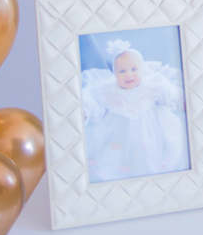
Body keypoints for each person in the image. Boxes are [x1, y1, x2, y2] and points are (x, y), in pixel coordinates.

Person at [81, 40, 189, 182]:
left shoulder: (152, 83)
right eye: (122, 71)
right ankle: (119, 168)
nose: (128, 75)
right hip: (118, 131)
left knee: (145, 152)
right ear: (115, 73)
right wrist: (86, 110)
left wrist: (179, 99)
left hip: (148, 130)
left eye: (134, 69)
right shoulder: (108, 88)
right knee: (113, 151)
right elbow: (94, 96)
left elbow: (166, 92)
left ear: (141, 69)